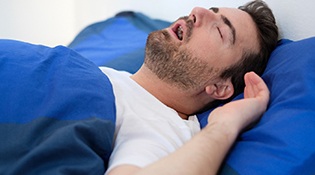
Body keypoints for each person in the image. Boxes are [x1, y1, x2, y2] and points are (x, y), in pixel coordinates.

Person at [103, 0, 279, 174]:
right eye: (212, 10)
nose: (197, 10)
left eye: (219, 31)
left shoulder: (160, 128)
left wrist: (225, 124)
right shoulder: (109, 76)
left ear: (219, 87)